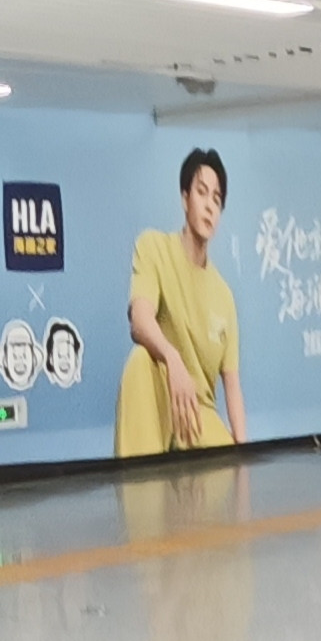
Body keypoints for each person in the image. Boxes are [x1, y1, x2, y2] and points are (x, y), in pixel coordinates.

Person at [119, 148, 244, 455]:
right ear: (185, 198)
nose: (210, 205)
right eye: (202, 192)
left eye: (217, 199)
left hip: (200, 417)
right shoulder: (153, 246)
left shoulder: (224, 295)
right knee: (140, 361)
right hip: (161, 396)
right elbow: (139, 320)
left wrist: (245, 456)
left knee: (230, 466)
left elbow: (231, 385)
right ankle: (140, 481)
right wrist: (172, 359)